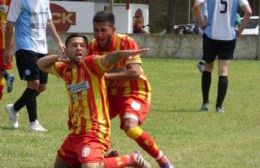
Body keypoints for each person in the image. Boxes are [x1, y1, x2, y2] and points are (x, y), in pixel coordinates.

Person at [37, 33, 151, 168]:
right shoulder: (64, 69)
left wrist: (123, 54)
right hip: (76, 133)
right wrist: (58, 57)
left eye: (82, 46)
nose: (79, 48)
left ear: (86, 50)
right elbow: (41, 64)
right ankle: (102, 160)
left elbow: (108, 59)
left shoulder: (91, 64)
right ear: (66, 50)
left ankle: (131, 159)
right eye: (74, 46)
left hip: (95, 131)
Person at [88, 11, 174, 168]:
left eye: (103, 30)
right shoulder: (91, 46)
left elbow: (135, 72)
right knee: (91, 123)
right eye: (96, 30)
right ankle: (103, 156)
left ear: (113, 29)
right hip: (109, 94)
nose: (99, 34)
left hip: (134, 92)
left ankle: (164, 161)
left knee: (130, 126)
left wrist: (105, 76)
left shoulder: (126, 42)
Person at [4, 0, 66, 131]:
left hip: (41, 48)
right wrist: (8, 49)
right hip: (25, 46)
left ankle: (14, 108)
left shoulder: (44, 0)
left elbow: (49, 21)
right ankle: (33, 123)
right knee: (34, 84)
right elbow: (10, 24)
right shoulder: (19, 1)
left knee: (42, 87)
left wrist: (59, 41)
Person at [193, 0, 252, 113]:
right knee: (223, 71)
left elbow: (196, 6)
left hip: (211, 35)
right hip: (228, 36)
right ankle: (219, 107)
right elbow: (248, 12)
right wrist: (240, 30)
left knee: (208, 68)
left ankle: (205, 104)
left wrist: (201, 24)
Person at [0, 0, 15, 101]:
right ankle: (7, 76)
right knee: (1, 68)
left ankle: (7, 77)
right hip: (7, 38)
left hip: (3, 38)